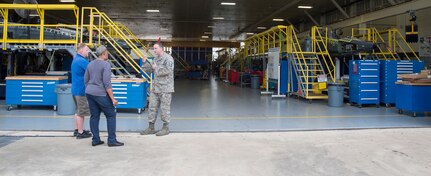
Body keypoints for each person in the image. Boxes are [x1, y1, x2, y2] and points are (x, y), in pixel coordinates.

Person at [84, 45, 123, 147]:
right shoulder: (106, 65)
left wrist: (91, 89)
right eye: (107, 52)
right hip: (101, 94)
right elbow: (107, 83)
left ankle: (95, 140)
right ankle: (111, 140)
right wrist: (113, 99)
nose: (108, 54)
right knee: (111, 115)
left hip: (90, 93)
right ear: (103, 53)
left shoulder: (90, 64)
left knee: (94, 116)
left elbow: (86, 80)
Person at [140, 42, 174, 136]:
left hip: (165, 89)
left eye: (155, 48)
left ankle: (165, 128)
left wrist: (156, 68)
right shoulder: (155, 59)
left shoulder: (168, 59)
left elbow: (168, 71)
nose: (154, 50)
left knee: (164, 109)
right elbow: (149, 70)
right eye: (153, 48)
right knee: (152, 107)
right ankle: (151, 127)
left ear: (161, 48)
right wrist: (145, 63)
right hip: (155, 88)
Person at [71, 43, 92, 139]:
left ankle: (77, 130)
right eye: (87, 50)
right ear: (81, 51)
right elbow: (92, 69)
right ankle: (80, 132)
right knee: (81, 112)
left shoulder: (76, 59)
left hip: (75, 90)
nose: (88, 51)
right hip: (80, 90)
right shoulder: (81, 61)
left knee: (78, 111)